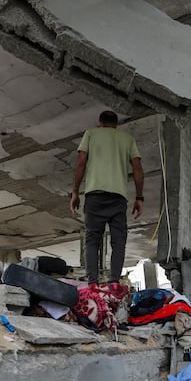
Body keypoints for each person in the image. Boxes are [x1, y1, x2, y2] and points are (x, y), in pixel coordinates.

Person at [70, 110, 144, 284]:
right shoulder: (127, 139)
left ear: (100, 123)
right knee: (118, 242)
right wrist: (139, 197)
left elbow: (81, 162)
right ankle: (114, 282)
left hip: (94, 197)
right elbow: (138, 168)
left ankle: (93, 284)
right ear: (116, 125)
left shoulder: (90, 134)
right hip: (118, 198)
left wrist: (75, 192)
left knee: (92, 241)